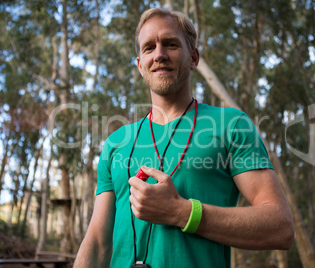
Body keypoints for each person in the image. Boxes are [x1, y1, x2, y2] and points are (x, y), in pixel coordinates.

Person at [74, 8, 294, 268]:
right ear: (139, 66)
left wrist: (181, 212)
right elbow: (98, 241)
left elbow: (280, 227)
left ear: (193, 58)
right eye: (149, 48)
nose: (159, 55)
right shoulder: (116, 143)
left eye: (171, 44)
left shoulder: (231, 125)